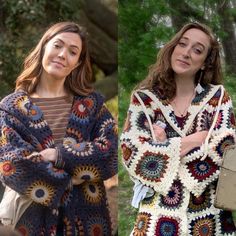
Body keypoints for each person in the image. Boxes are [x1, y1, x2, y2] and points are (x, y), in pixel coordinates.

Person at [0, 21, 117, 235]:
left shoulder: (92, 105)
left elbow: (110, 153)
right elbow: (11, 164)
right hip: (31, 224)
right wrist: (72, 179)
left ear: (77, 62)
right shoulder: (12, 108)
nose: (63, 55)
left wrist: (58, 155)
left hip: (89, 221)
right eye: (57, 45)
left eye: (73, 52)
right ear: (44, 46)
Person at [120, 22, 236, 235]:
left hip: (209, 218)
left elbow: (226, 149)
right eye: (182, 44)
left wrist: (161, 150)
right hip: (156, 219)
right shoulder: (145, 100)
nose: (186, 53)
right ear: (172, 48)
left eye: (197, 50)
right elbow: (133, 154)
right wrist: (196, 140)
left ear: (204, 63)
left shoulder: (218, 98)